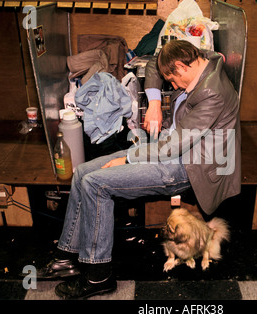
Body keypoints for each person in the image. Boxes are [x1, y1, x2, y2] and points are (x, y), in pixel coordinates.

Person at [37, 40, 241, 299]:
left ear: (181, 66)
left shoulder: (213, 93)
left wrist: (129, 159)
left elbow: (173, 148)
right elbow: (157, 61)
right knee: (82, 172)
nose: (174, 87)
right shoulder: (204, 57)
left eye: (174, 81)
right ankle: (66, 258)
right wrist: (154, 102)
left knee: (96, 184)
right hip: (167, 146)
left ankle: (98, 275)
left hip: (188, 165)